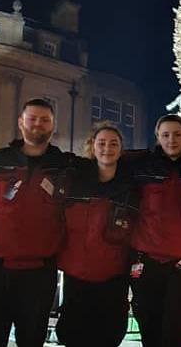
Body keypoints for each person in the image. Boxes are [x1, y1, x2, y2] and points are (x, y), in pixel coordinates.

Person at [0, 98, 73, 347]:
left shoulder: (66, 166)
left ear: (53, 126)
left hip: (40, 272)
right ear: (21, 123)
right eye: (32, 119)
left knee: (32, 339)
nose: (38, 125)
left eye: (45, 120)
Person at [128, 114, 181, 347]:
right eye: (165, 135)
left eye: (177, 134)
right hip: (147, 262)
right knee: (150, 330)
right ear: (157, 138)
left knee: (176, 332)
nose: (171, 139)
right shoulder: (142, 168)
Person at [55, 123, 138, 347]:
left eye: (114, 144)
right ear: (92, 146)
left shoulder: (131, 187)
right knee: (74, 333)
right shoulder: (75, 179)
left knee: (107, 334)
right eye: (101, 143)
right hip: (77, 273)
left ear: (121, 150)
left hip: (113, 275)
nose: (107, 148)